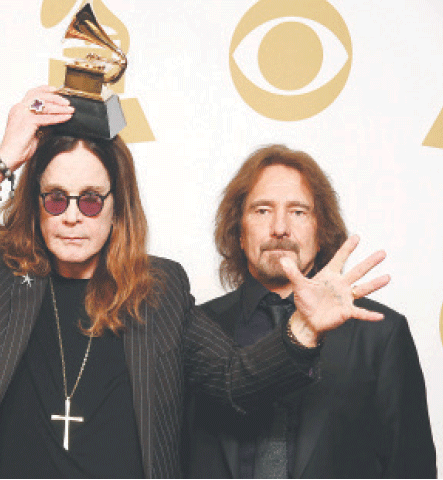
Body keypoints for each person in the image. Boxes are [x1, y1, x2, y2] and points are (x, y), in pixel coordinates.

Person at [0, 87, 392, 478]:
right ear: (35, 203)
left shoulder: (158, 289)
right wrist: (2, 157)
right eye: (55, 198)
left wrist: (303, 329)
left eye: (89, 200)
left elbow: (235, 382)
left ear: (115, 208)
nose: (71, 216)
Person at [185, 144, 436, 478]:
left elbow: (411, 469)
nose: (279, 228)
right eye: (261, 211)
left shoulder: (381, 334)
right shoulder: (194, 327)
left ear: (321, 233)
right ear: (238, 233)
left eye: (298, 212)